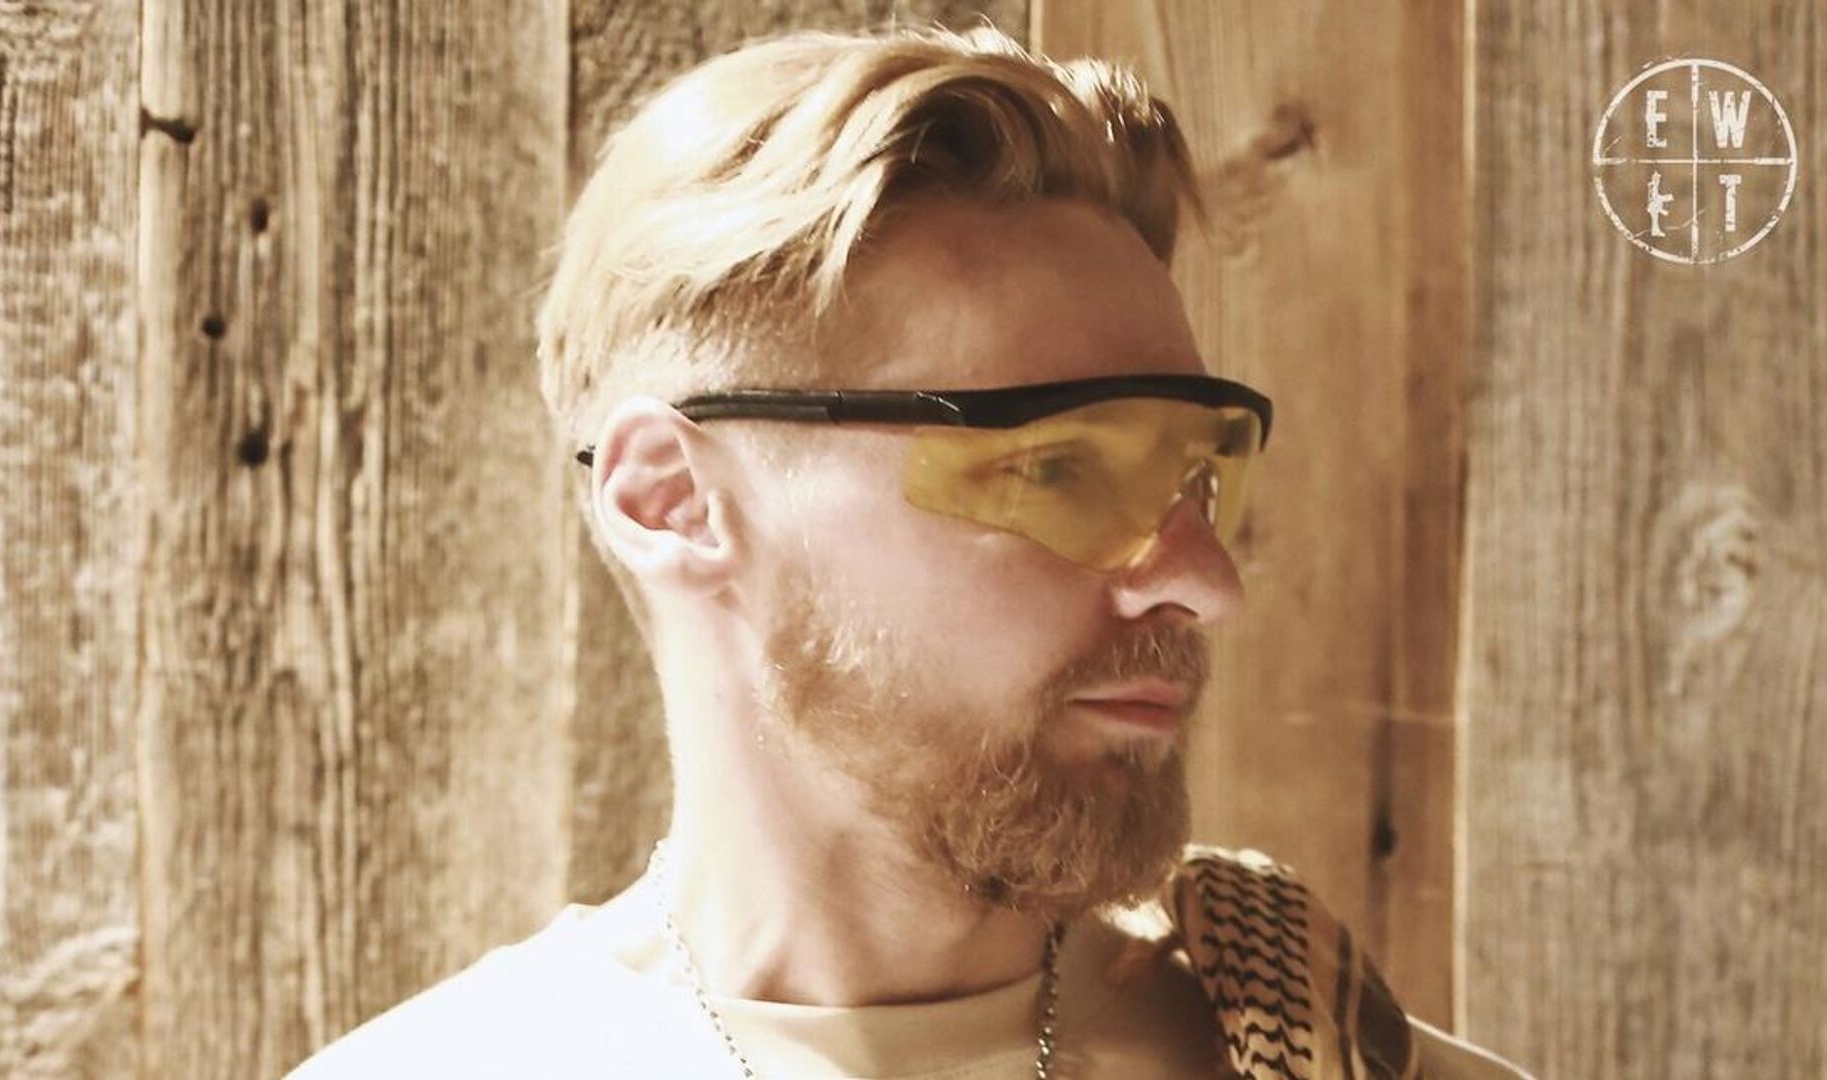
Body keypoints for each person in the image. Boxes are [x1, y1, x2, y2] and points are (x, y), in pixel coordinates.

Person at [287, 23, 1535, 1080]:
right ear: (671, 500)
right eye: (1058, 468)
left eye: (1197, 475)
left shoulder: (1334, 1056)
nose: (1205, 582)